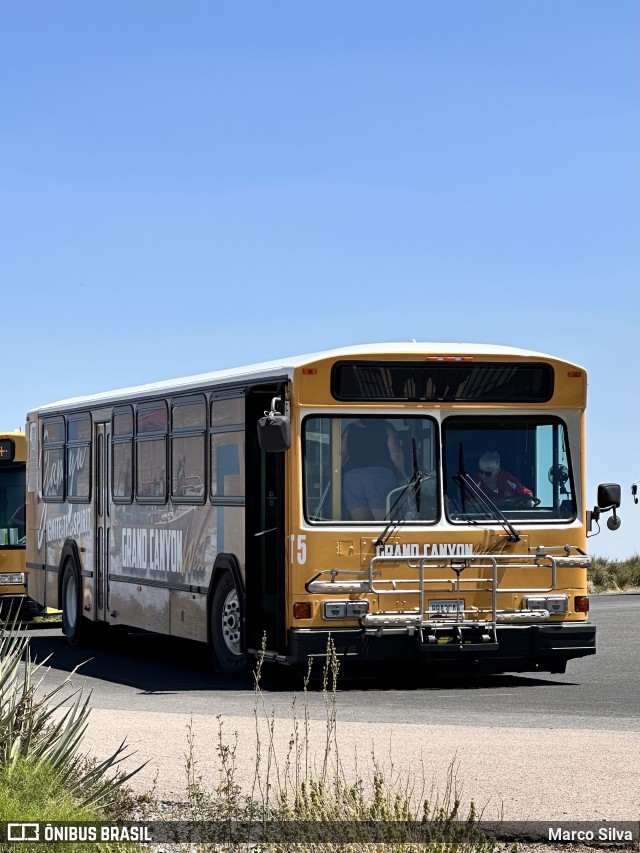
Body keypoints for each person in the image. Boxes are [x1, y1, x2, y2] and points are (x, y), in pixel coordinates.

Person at [342, 420, 406, 520]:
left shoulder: (349, 428)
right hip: (379, 476)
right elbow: (395, 454)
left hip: (352, 477)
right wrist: (403, 474)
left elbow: (342, 454)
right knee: (386, 525)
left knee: (362, 525)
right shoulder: (386, 427)